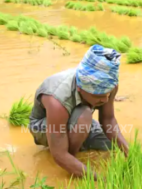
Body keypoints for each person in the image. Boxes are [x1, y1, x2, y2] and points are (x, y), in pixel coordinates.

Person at [28, 44, 129, 180]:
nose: (105, 99)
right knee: (84, 115)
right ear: (82, 89)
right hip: (46, 124)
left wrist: (129, 152)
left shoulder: (108, 83)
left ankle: (78, 141)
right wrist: (100, 179)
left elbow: (108, 120)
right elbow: (59, 154)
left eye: (108, 94)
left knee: (111, 145)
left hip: (77, 119)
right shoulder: (56, 99)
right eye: (98, 95)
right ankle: (72, 156)